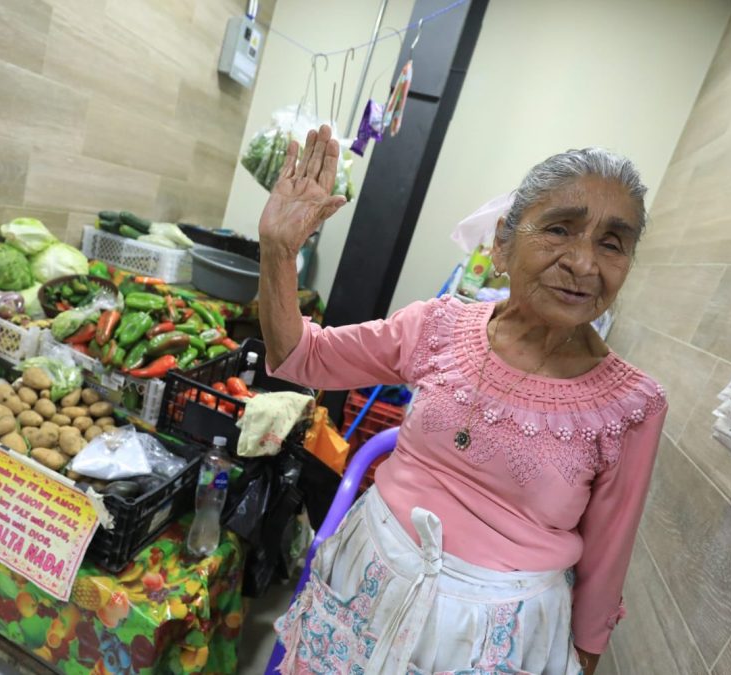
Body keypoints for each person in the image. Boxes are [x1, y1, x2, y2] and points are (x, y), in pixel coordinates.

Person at [258, 125, 667, 675]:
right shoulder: (439, 325)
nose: (585, 263)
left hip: (494, 642)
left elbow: (605, 567)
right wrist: (279, 251)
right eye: (560, 230)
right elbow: (300, 358)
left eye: (612, 243)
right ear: (502, 242)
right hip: (366, 587)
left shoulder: (630, 405)